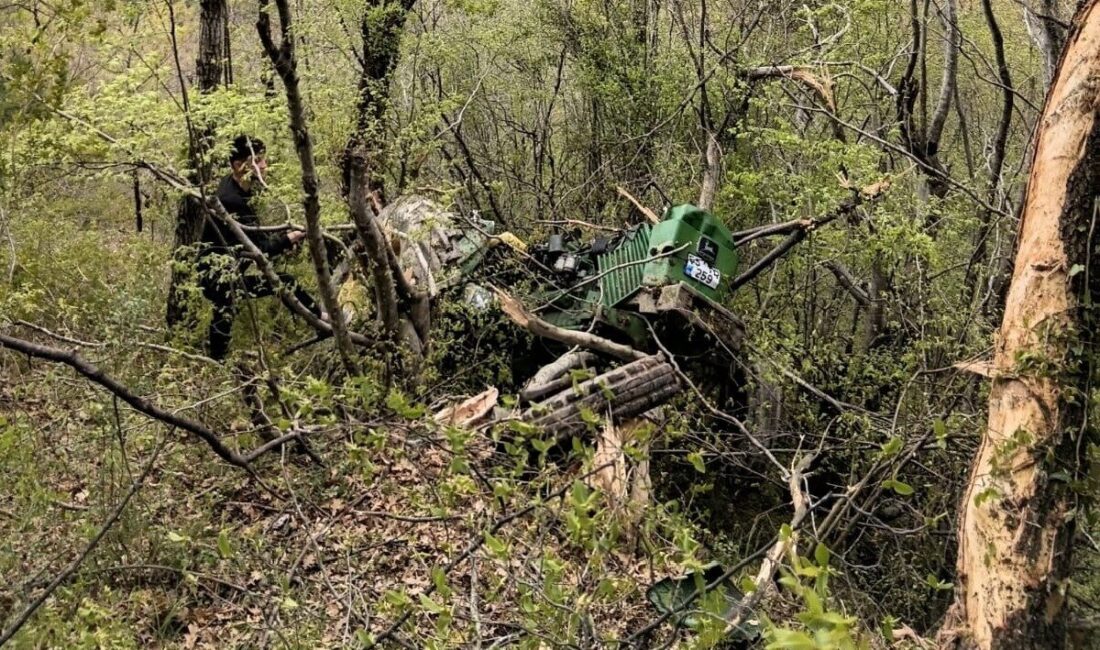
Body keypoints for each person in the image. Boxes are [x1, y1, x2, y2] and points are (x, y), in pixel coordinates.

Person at [197, 135, 326, 360]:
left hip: (217, 272)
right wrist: (289, 238)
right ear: (239, 166)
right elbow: (261, 249)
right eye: (257, 160)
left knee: (224, 309)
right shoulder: (232, 201)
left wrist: (283, 238)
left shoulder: (237, 188)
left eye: (263, 159)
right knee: (285, 282)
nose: (264, 166)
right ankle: (323, 320)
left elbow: (252, 235)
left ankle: (216, 360)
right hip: (217, 277)